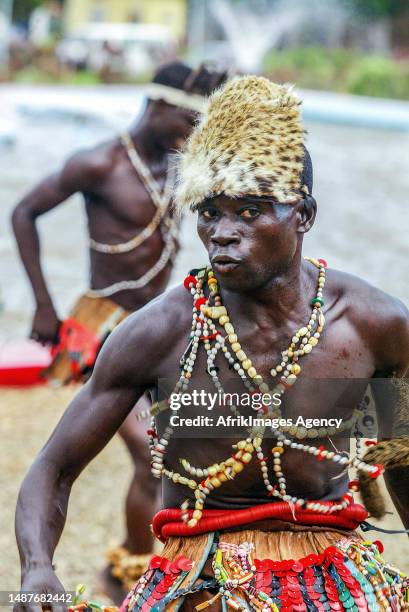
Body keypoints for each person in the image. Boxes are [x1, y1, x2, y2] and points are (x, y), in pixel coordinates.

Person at [15, 76, 409, 611]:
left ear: (304, 216)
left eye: (249, 211)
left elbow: (403, 456)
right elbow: (54, 468)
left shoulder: (371, 326)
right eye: (210, 212)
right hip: (200, 578)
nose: (223, 231)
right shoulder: (159, 334)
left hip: (331, 574)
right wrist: (37, 571)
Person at [11, 61, 227, 603]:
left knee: (185, 452)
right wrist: (43, 305)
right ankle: (130, 571)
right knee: (152, 456)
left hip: (159, 328)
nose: (191, 131)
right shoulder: (99, 163)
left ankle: (145, 563)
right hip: (103, 328)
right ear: (156, 105)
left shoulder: (186, 168)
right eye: (186, 117)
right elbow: (22, 212)